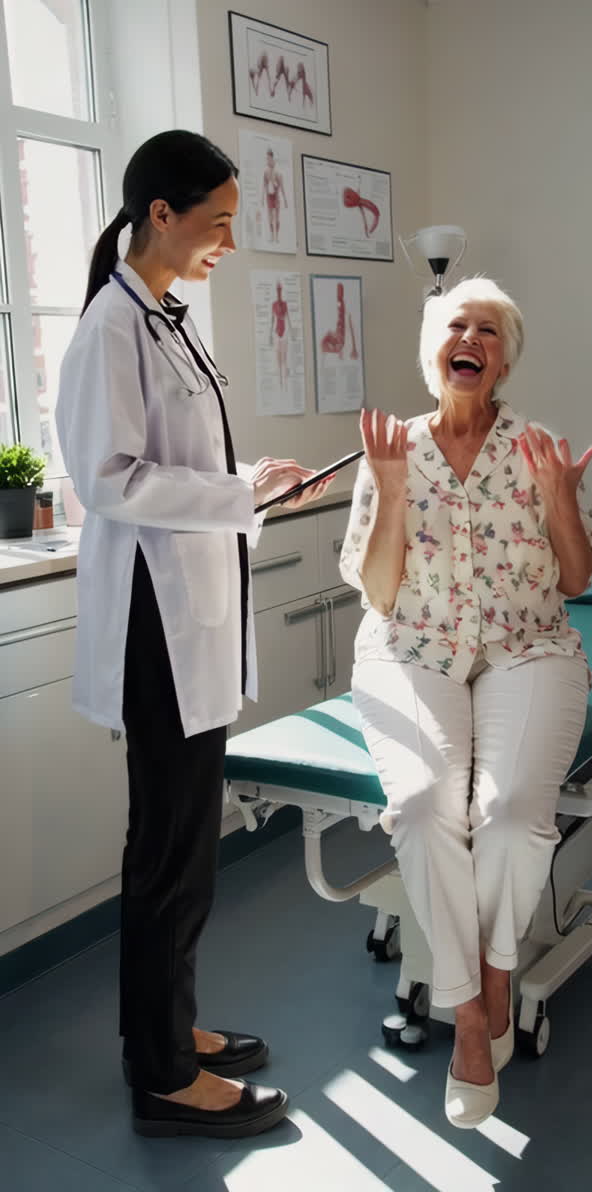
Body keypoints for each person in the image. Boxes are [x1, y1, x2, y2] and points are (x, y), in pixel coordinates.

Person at [56, 130, 332, 1140]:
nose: (227, 241)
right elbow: (109, 480)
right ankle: (166, 1077)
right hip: (153, 630)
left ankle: (164, 1031)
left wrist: (252, 480)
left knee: (183, 847)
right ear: (159, 215)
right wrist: (233, 490)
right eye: (216, 222)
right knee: (170, 851)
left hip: (185, 619)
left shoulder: (166, 320)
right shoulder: (107, 329)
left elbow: (180, 462)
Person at [340, 277, 592, 1128]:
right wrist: (388, 492)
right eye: (457, 325)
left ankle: (495, 976)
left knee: (513, 810)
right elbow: (381, 594)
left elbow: (576, 578)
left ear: (502, 359)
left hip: (527, 645)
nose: (472, 338)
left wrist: (561, 502)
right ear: (436, 354)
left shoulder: (537, 448)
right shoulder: (393, 450)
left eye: (488, 330)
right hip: (411, 646)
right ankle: (466, 1015)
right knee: (422, 809)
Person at [262, 148, 288, 244]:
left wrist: (285, 200)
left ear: (272, 158)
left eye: (269, 158)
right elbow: (264, 185)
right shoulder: (266, 172)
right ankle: (271, 236)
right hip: (269, 196)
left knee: (276, 217)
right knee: (270, 217)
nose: (267, 160)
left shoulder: (278, 172)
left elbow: (281, 187)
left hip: (276, 196)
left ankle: (276, 237)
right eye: (266, 159)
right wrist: (262, 198)